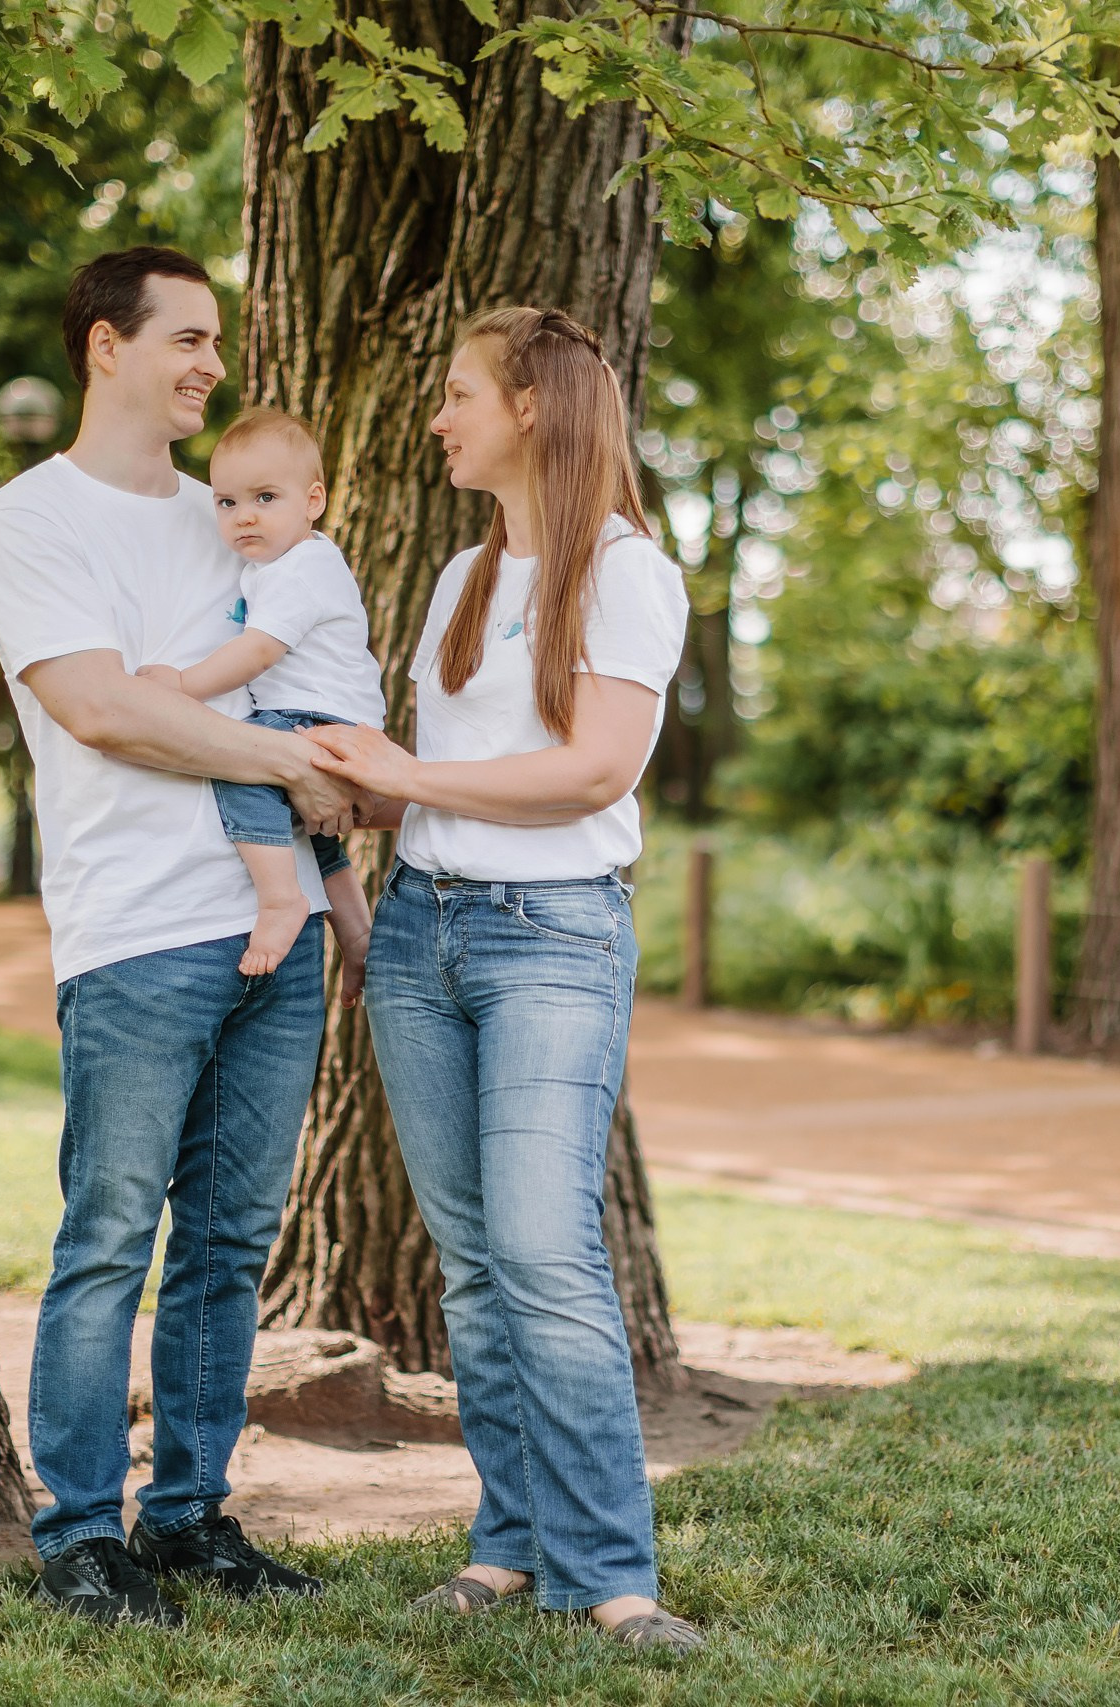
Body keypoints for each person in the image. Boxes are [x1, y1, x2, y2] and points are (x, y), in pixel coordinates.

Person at [305, 305, 701, 1652]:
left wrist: (407, 776)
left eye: (460, 389)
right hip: (423, 934)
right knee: (472, 1264)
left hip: (553, 935)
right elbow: (451, 767)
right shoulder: (464, 574)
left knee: (543, 1250)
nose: (439, 413)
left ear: (531, 402)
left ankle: (616, 1575)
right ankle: (512, 1542)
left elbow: (596, 770)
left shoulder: (628, 569)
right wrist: (365, 822)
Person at [0, 246, 351, 1627]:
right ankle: (79, 1529)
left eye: (215, 339)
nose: (208, 361)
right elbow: (103, 708)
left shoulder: (231, 514)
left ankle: (188, 1516)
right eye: (183, 336)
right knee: (110, 1235)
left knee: (229, 1242)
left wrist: (323, 784)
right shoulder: (33, 517)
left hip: (280, 927)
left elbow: (305, 667)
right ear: (102, 346)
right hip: (135, 935)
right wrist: (290, 766)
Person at [132, 408, 382, 1005]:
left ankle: (280, 900)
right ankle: (357, 928)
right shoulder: (278, 564)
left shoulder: (302, 569)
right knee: (316, 838)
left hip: (313, 718)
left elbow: (258, 652)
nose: (244, 515)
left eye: (266, 497)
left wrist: (181, 686)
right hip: (334, 719)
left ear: (313, 499)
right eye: (226, 502)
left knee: (238, 767)